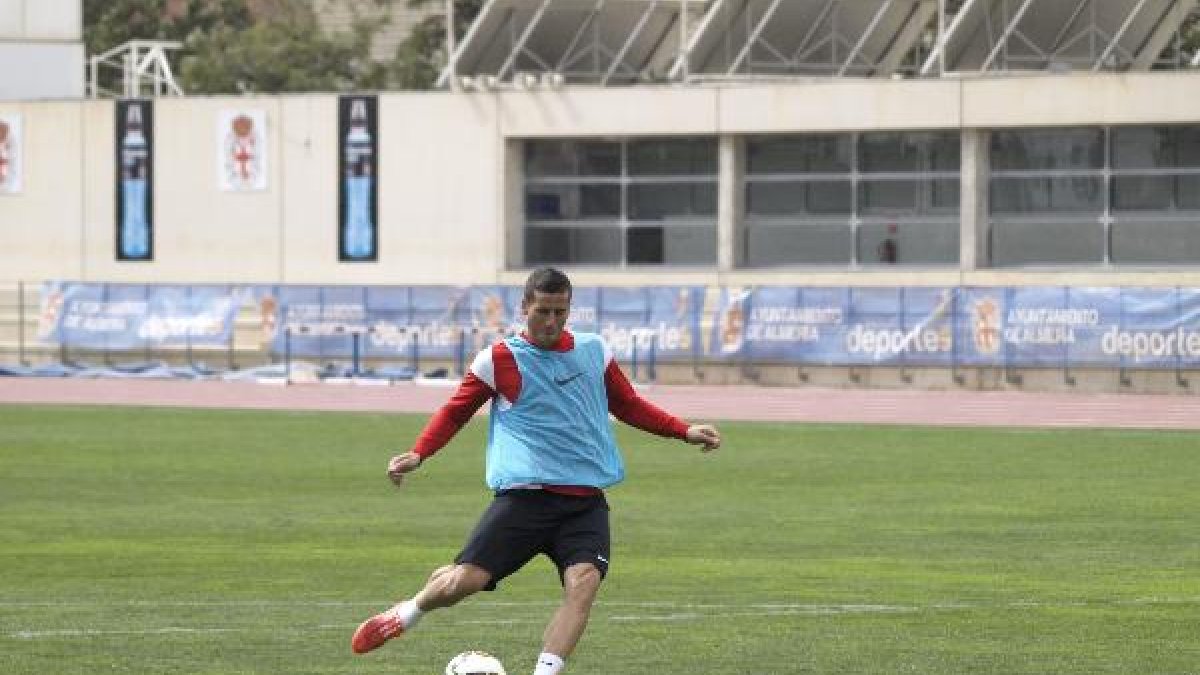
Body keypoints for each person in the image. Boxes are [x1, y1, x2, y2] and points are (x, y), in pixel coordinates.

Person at [351, 267, 722, 675]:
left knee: (583, 584)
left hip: (585, 502)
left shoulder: (594, 350)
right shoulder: (498, 359)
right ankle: (406, 614)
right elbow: (456, 412)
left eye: (560, 312)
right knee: (462, 584)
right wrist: (419, 453)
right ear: (524, 307)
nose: (551, 321)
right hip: (525, 499)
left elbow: (628, 404)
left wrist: (682, 430)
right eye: (542, 311)